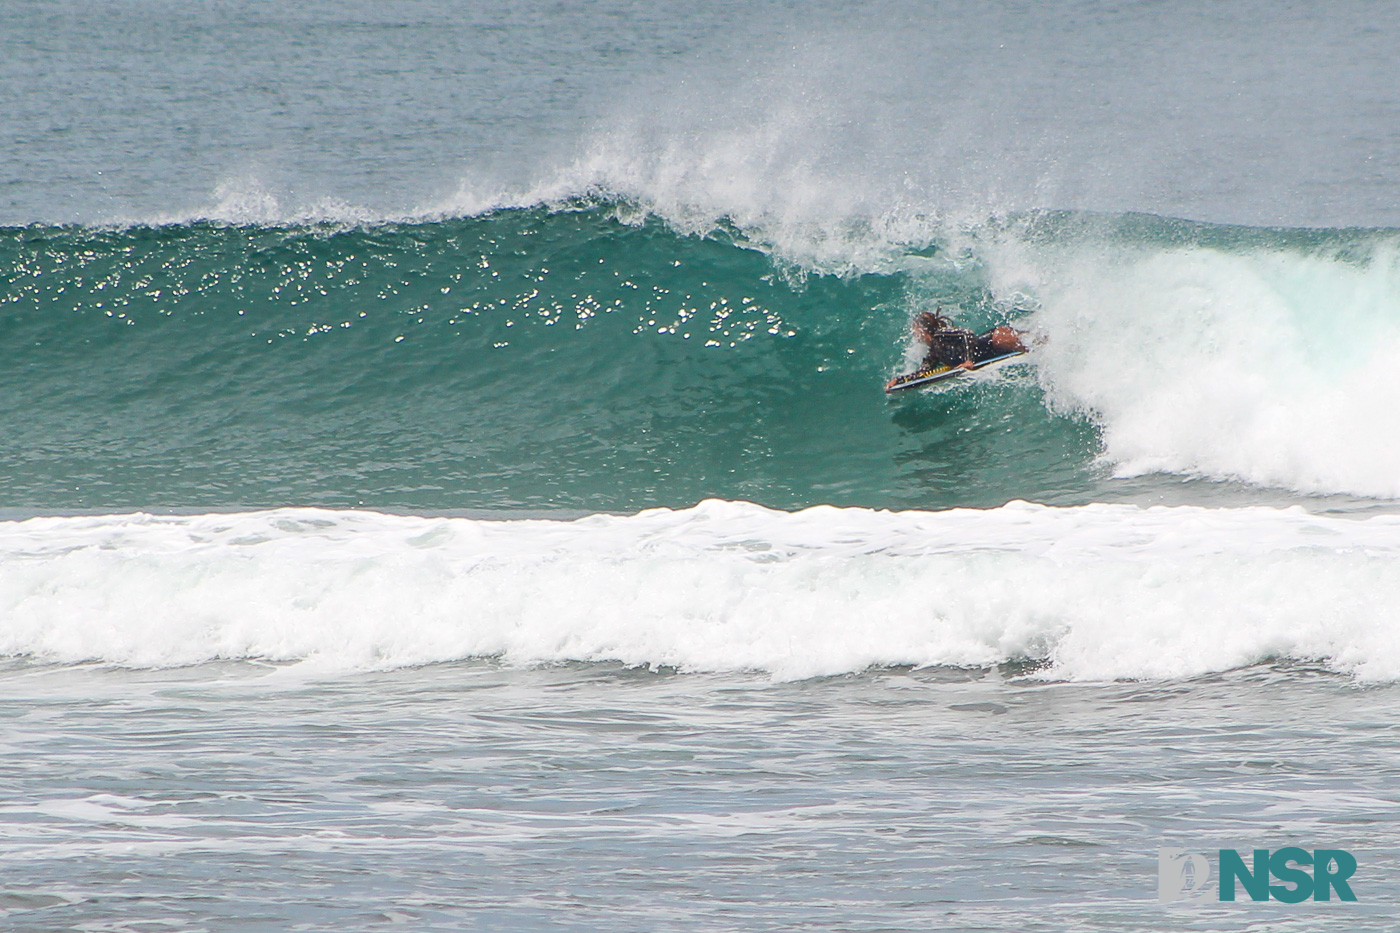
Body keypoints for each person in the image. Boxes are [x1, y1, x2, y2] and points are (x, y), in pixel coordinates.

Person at [911, 308, 1026, 372]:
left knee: (1037, 343)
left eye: (915, 329)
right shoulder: (935, 352)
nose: (914, 333)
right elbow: (922, 373)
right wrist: (899, 380)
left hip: (996, 339)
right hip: (995, 350)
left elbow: (966, 334)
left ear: (922, 330)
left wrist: (968, 360)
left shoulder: (940, 335)